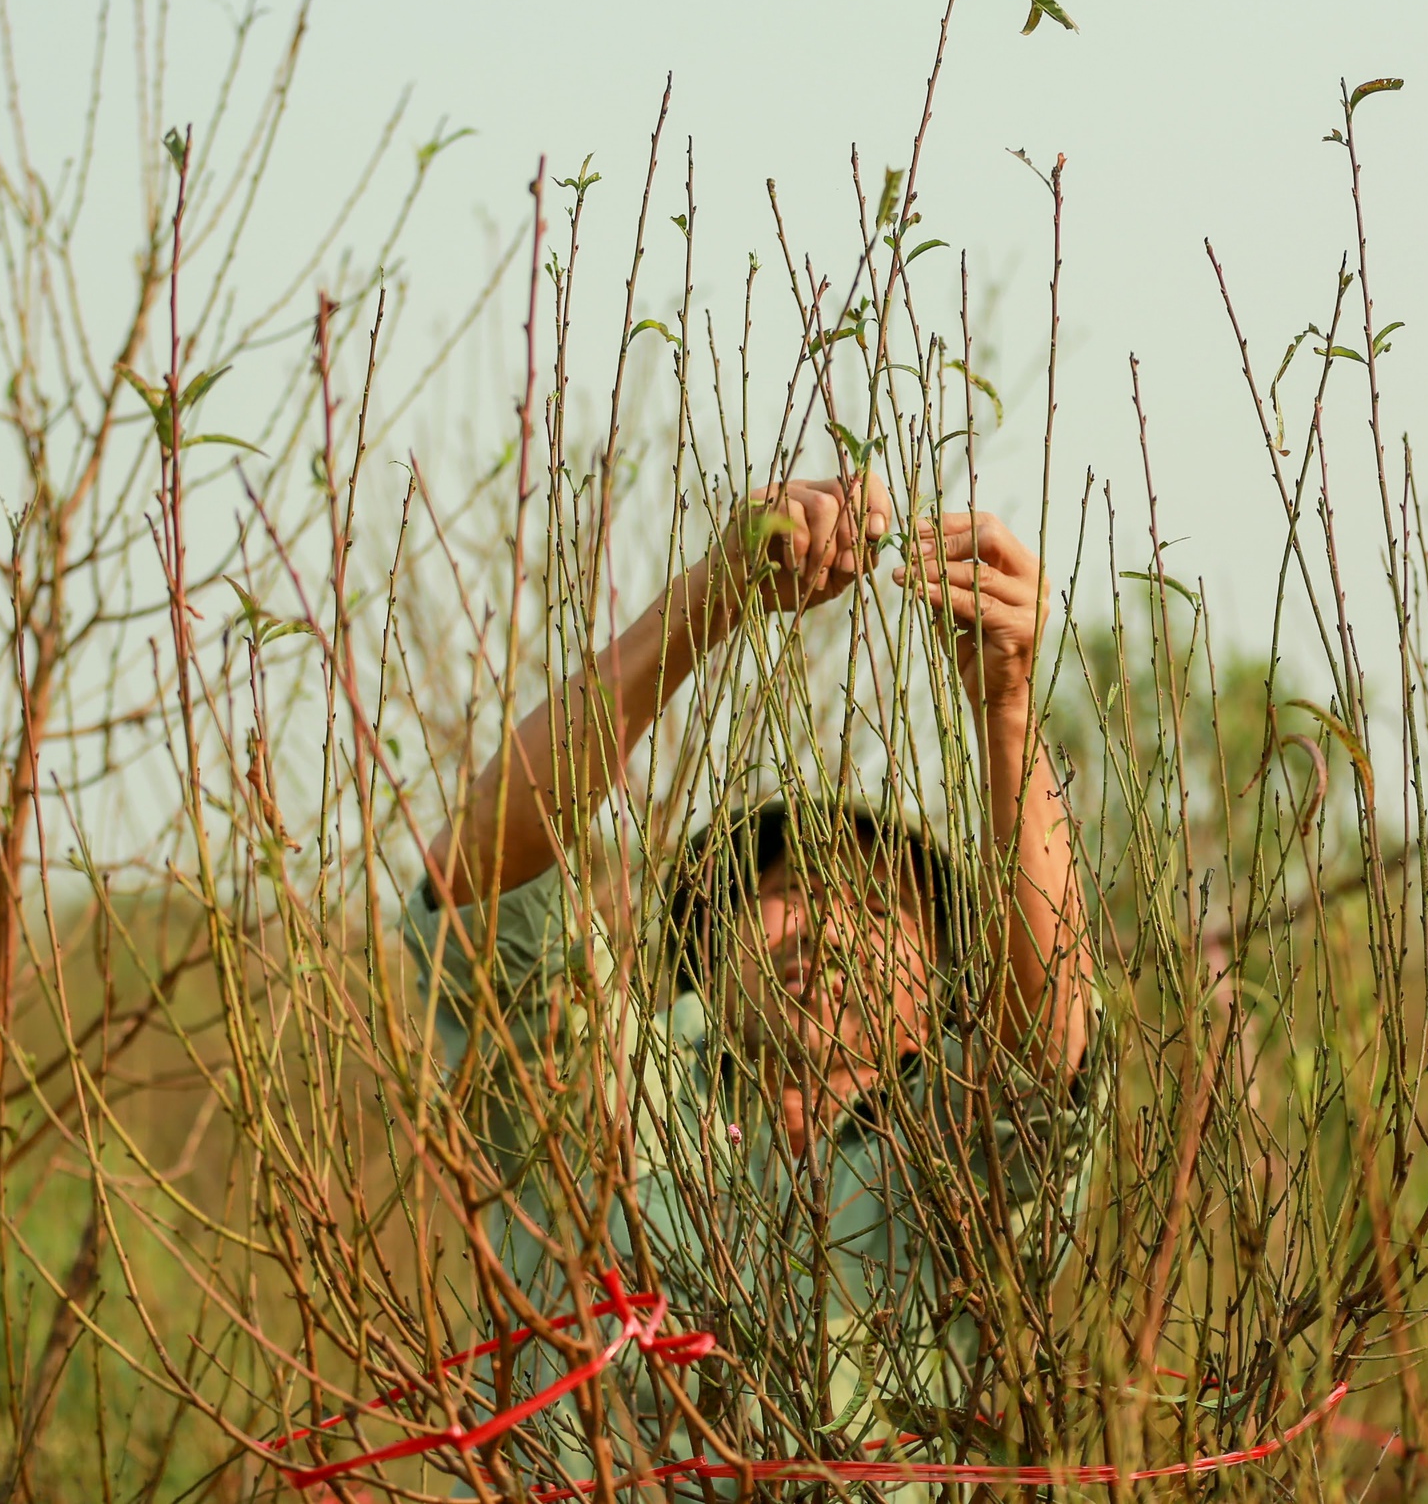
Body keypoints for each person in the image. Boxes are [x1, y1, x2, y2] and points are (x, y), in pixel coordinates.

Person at [401, 472, 1104, 1491]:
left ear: (944, 975)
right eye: (783, 887)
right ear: (706, 935)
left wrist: (1002, 704)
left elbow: (1049, 1042)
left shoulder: (956, 1152)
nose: (822, 924)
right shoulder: (608, 1081)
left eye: (876, 906)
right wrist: (708, 601)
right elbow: (476, 883)